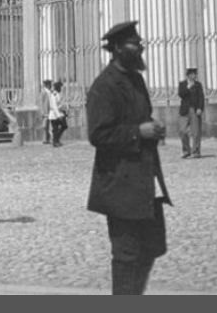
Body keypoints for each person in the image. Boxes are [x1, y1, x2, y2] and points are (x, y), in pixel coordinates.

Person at [86, 20, 171, 295]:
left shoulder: (136, 80)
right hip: (119, 184)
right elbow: (98, 135)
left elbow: (140, 119)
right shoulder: (104, 86)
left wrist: (153, 128)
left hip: (144, 181)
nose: (141, 45)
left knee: (150, 248)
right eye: (136, 43)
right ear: (119, 48)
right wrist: (138, 132)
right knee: (126, 256)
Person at [178, 67, 205, 158]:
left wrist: (200, 108)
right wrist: (188, 87)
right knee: (182, 131)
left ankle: (196, 151)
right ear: (188, 75)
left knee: (196, 132)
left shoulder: (198, 85)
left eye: (195, 74)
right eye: (193, 74)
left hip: (195, 110)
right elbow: (181, 94)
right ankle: (186, 150)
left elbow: (201, 97)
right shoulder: (182, 84)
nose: (194, 76)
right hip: (184, 110)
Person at [48, 80, 67, 148]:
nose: (62, 88)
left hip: (60, 113)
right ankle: (55, 141)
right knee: (55, 129)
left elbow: (60, 104)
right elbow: (54, 106)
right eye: (61, 87)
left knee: (64, 126)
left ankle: (56, 140)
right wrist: (58, 116)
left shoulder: (58, 94)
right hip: (54, 115)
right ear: (58, 87)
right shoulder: (54, 94)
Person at [40, 80, 53, 144]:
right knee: (45, 126)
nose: (51, 86)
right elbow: (41, 102)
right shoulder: (44, 92)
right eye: (50, 84)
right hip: (45, 111)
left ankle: (48, 139)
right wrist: (42, 111)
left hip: (49, 110)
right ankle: (44, 139)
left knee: (48, 126)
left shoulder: (49, 92)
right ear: (47, 85)